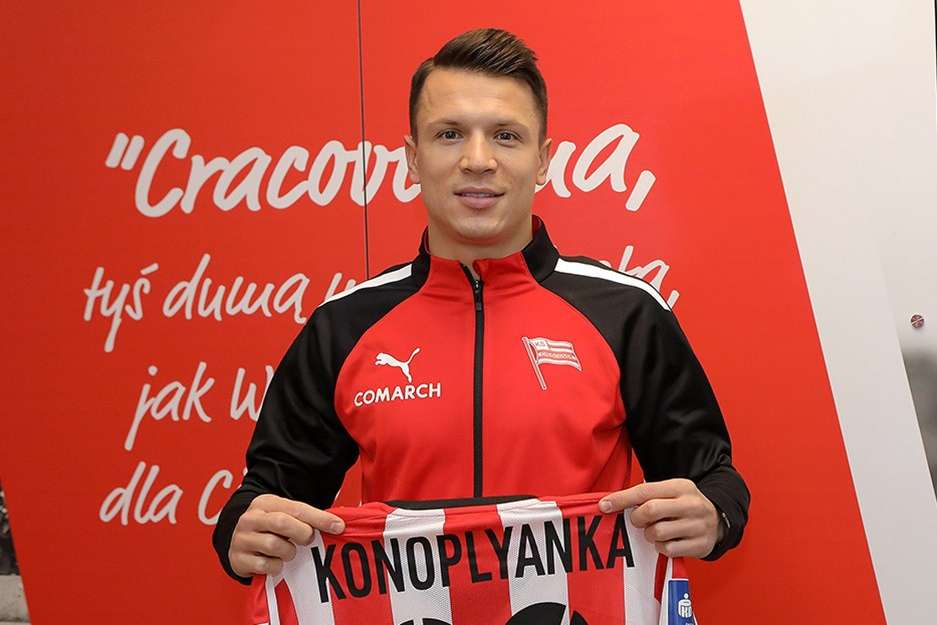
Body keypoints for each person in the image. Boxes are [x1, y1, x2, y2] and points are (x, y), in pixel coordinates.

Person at [213, 28, 749, 584]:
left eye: (505, 136)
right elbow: (268, 497)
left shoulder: (626, 312)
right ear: (413, 158)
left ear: (542, 160)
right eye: (449, 134)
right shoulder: (344, 325)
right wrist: (240, 531)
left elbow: (715, 482)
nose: (477, 160)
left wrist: (713, 516)